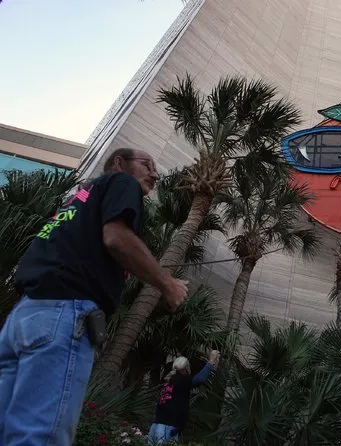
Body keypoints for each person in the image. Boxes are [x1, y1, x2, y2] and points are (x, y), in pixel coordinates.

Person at [0, 148, 189, 446]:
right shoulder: (121, 182)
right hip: (64, 316)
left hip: (23, 319)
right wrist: (168, 284)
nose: (154, 173)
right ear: (118, 163)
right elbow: (117, 238)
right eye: (146, 165)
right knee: (40, 436)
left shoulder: (78, 200)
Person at [148, 350, 221, 444]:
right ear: (186, 367)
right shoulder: (181, 380)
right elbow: (199, 379)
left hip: (156, 426)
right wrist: (211, 362)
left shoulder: (169, 381)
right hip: (167, 428)